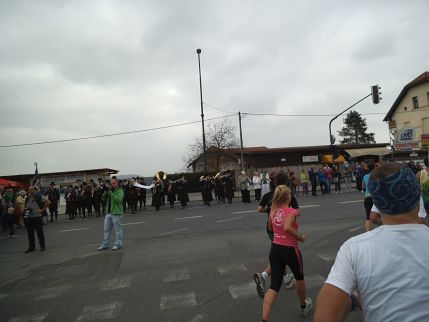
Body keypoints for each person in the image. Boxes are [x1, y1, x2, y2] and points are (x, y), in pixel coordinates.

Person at [314, 163, 429, 322]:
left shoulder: (353, 249)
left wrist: (353, 301)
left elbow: (325, 317)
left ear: (377, 202)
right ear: (417, 196)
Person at [261, 185, 312, 321]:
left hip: (275, 249)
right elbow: (287, 227)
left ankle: (264, 318)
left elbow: (270, 227)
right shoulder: (292, 212)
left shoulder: (273, 211)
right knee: (299, 277)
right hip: (290, 249)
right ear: (288, 197)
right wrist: (300, 237)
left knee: (274, 285)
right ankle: (303, 306)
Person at [254, 171, 299, 299]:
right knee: (282, 255)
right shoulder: (288, 195)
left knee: (279, 253)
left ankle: (286, 279)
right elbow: (296, 211)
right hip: (285, 228)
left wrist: (270, 210)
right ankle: (263, 275)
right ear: (286, 182)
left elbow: (259, 209)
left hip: (271, 227)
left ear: (274, 182)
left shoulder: (269, 194)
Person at [98, 177, 125, 251]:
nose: (112, 185)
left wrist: (110, 192)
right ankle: (105, 244)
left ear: (117, 183)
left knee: (118, 230)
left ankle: (118, 244)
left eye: (114, 183)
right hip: (108, 213)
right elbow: (103, 200)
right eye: (111, 183)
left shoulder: (120, 191)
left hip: (117, 213)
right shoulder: (108, 191)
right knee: (106, 230)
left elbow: (118, 200)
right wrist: (105, 192)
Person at [24, 185, 50, 253]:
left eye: (32, 189)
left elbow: (48, 202)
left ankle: (42, 246)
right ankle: (31, 247)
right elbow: (26, 207)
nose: (30, 190)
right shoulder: (27, 198)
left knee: (39, 232)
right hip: (29, 218)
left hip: (37, 217)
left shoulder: (39, 196)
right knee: (30, 233)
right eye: (29, 189)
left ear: (35, 190)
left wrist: (42, 209)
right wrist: (26, 210)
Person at [362, 162, 375, 231]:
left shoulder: (365, 176)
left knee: (368, 217)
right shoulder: (377, 176)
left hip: (367, 198)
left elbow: (363, 187)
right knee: (381, 215)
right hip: (375, 197)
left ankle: (367, 232)